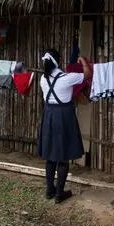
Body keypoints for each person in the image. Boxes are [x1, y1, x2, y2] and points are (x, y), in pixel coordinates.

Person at [37, 48, 91, 202]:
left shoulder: (42, 79)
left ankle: (49, 190)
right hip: (64, 116)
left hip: (49, 115)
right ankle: (59, 193)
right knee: (63, 156)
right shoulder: (67, 78)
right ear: (59, 60)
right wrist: (83, 61)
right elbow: (87, 75)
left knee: (51, 157)